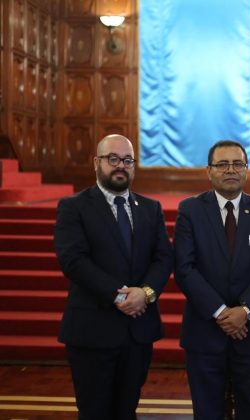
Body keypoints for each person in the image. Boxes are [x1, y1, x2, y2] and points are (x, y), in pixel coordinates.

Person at [54, 134, 173, 419]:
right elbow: (73, 261)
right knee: (94, 412)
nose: (121, 165)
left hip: (138, 331)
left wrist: (145, 293)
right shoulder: (74, 207)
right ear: (97, 162)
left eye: (127, 160)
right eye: (113, 159)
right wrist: (119, 296)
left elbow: (163, 258)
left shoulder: (150, 208)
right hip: (92, 330)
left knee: (126, 410)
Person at [173, 140, 250, 419]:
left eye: (237, 164)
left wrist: (245, 311)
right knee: (207, 412)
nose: (230, 170)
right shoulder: (190, 210)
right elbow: (184, 269)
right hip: (204, 331)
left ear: (246, 169)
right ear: (208, 171)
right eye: (222, 164)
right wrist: (221, 312)